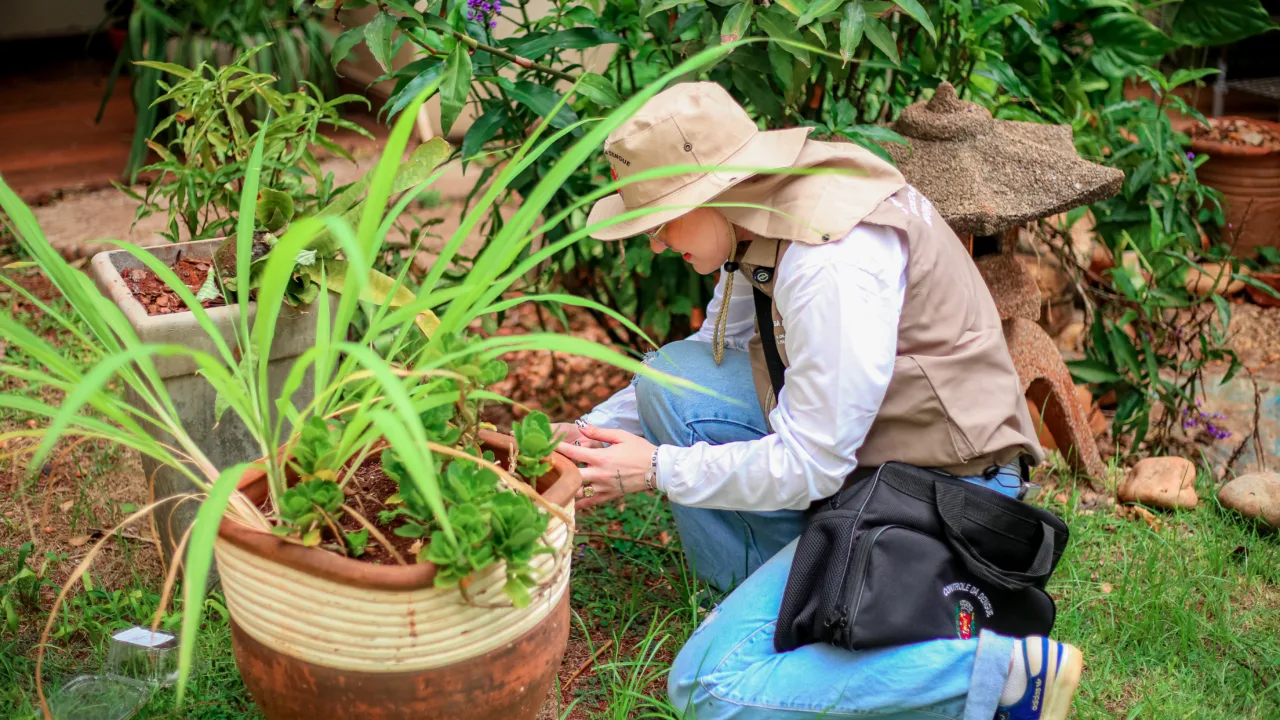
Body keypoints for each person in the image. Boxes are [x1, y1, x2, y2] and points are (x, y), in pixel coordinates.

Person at [553, 82, 1082, 720]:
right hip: (878, 460)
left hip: (948, 491)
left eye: (661, 220)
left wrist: (657, 470)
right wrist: (583, 432)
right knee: (672, 379)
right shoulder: (762, 215)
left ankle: (991, 676)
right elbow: (709, 361)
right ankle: (781, 600)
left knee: (707, 686)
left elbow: (814, 462)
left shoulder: (829, 261)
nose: (656, 243)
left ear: (715, 190)